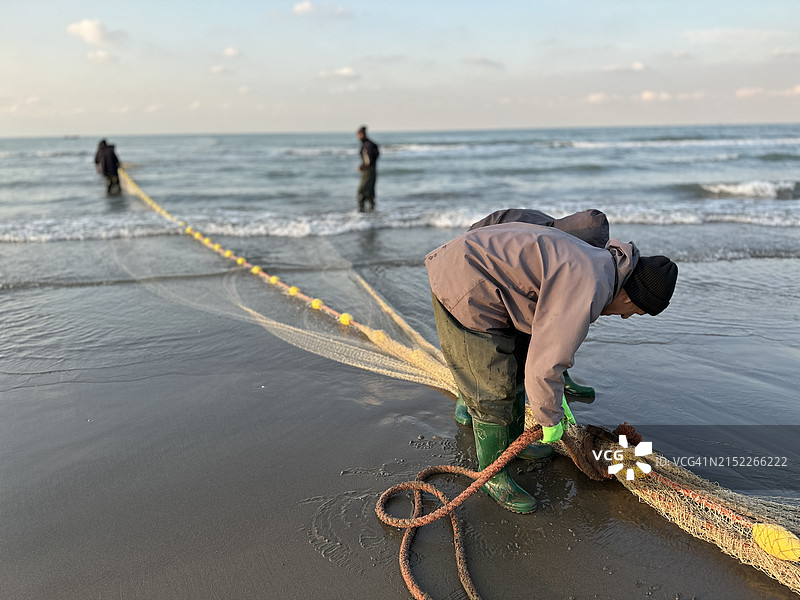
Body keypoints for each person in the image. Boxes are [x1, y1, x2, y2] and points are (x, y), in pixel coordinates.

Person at [425, 216, 678, 514]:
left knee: (515, 371)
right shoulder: (589, 285)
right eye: (634, 311)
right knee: (493, 389)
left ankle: (512, 446)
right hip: (466, 282)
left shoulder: (603, 263)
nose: (625, 317)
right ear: (628, 294)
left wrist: (554, 397)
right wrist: (550, 419)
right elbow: (545, 366)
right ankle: (494, 475)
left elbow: (544, 343)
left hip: (494, 279)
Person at [356, 125, 379, 212]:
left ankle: (361, 211)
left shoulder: (367, 145)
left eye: (358, 135)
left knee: (361, 190)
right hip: (372, 169)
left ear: (362, 134)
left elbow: (368, 160)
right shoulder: (371, 144)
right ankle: (372, 210)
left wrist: (362, 166)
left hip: (368, 170)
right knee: (369, 190)